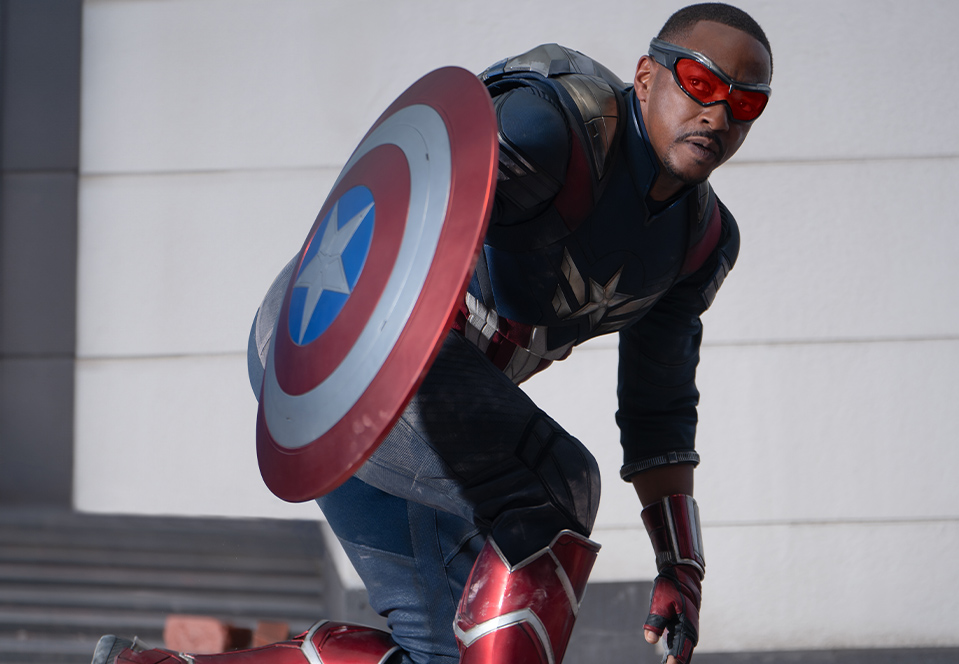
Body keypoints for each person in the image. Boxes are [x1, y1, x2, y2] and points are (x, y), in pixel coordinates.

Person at [93, 4, 772, 664]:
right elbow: (405, 199)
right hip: (342, 350)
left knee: (442, 650)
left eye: (745, 104)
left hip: (405, 401)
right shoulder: (547, 128)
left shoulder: (700, 242)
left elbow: (659, 411)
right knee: (559, 488)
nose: (717, 113)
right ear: (648, 78)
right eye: (702, 84)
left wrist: (681, 566)